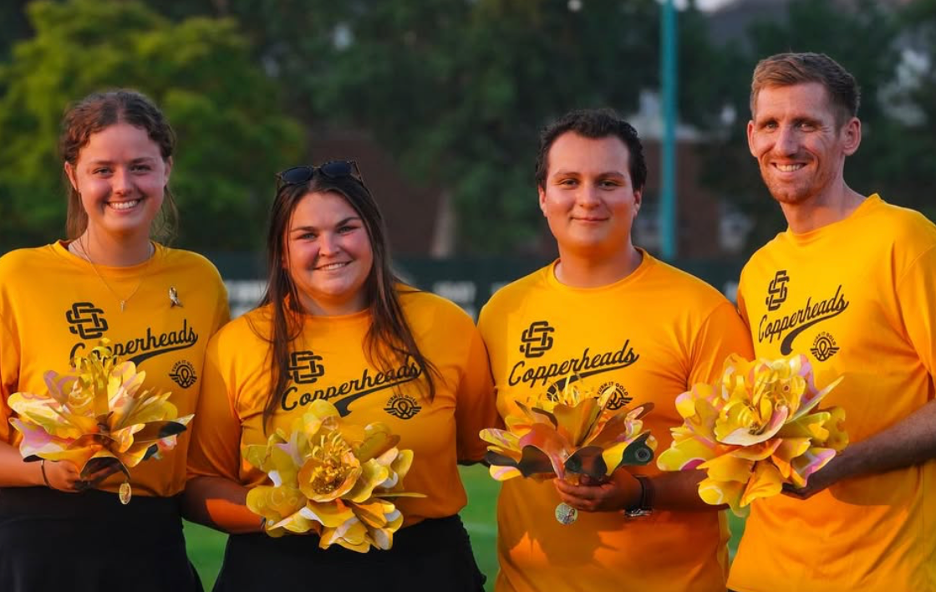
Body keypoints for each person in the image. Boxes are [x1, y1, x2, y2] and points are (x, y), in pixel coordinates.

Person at [184, 160, 496, 591]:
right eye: (307, 236)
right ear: (282, 252)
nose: (329, 247)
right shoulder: (237, 344)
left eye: (345, 228)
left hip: (422, 568)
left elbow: (479, 445)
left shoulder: (444, 324)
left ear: (373, 234)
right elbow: (198, 483)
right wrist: (292, 511)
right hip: (281, 569)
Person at [477, 108, 753, 592]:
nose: (587, 199)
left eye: (608, 182)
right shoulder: (504, 312)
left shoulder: (700, 311)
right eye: (569, 181)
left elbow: (739, 469)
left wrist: (640, 492)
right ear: (543, 197)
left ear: (637, 196)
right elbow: (490, 444)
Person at [0, 89, 230, 591]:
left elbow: (208, 448)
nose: (122, 185)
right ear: (73, 177)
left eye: (140, 167)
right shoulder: (17, 276)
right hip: (37, 544)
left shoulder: (199, 281)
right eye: (102, 169)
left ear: (167, 169)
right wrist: (46, 473)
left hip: (152, 542)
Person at [728, 52, 936, 592]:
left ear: (850, 135)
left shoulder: (906, 241)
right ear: (752, 137)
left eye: (807, 124)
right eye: (771, 125)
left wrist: (843, 463)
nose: (786, 144)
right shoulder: (759, 270)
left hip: (880, 574)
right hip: (762, 573)